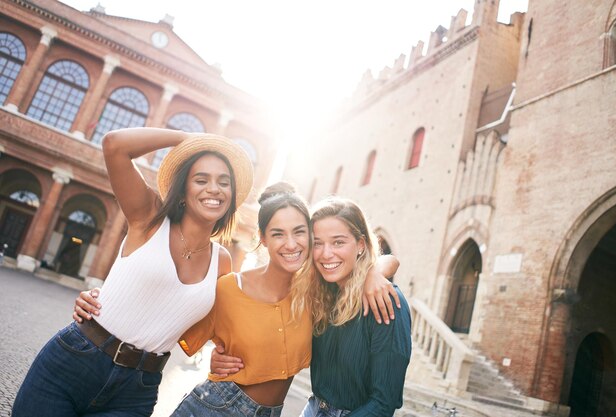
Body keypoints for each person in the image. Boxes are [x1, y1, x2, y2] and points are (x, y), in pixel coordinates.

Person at [73, 183, 400, 417]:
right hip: (216, 405)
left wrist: (375, 270)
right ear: (263, 239)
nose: (293, 244)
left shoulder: (314, 295)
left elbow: (374, 266)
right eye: (278, 234)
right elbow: (169, 315)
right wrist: (104, 303)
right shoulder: (234, 287)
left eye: (301, 232)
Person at [12, 127, 254, 417]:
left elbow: (214, 328)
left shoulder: (222, 262)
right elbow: (115, 145)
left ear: (231, 195)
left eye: (223, 182)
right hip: (75, 359)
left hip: (136, 391)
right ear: (183, 191)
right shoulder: (150, 217)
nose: (214, 188)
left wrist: (219, 355)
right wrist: (188, 139)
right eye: (201, 179)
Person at [214, 197, 412, 416]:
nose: (326, 254)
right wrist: (226, 357)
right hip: (312, 408)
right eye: (317, 243)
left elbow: (384, 403)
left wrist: (375, 271)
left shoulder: (386, 301)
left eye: (338, 242)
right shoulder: (319, 296)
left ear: (361, 244)